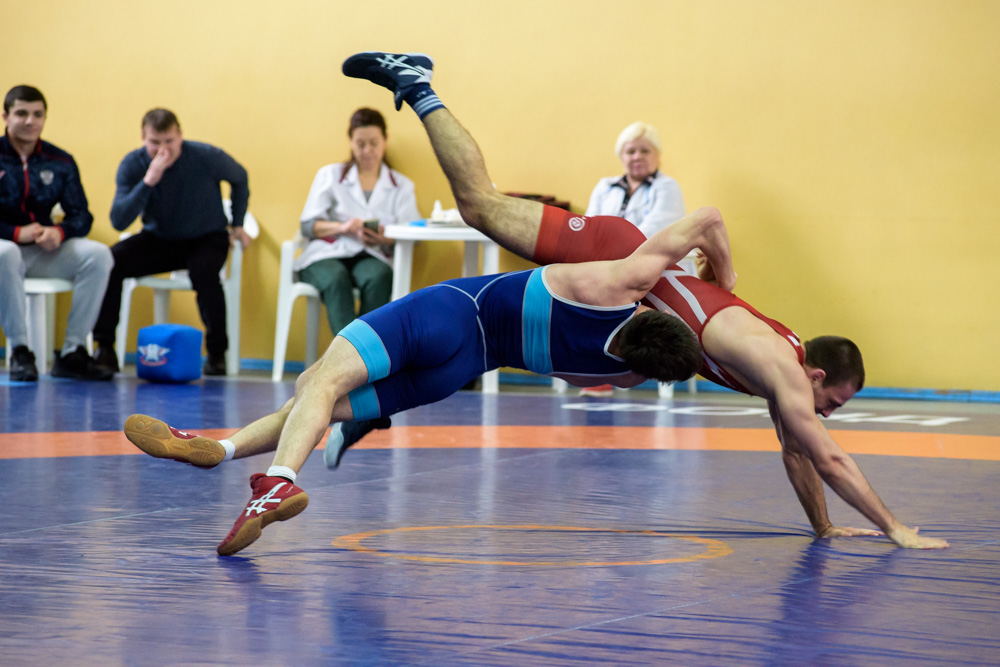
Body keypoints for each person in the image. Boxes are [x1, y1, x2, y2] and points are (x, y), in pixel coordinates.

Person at [335, 51, 948, 550]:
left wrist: (824, 527)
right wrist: (894, 528)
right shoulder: (779, 366)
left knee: (513, 342)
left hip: (624, 299)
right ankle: (418, 84)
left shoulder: (782, 369)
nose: (828, 415)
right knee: (479, 206)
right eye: (832, 402)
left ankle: (376, 399)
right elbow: (828, 459)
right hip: (616, 255)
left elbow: (797, 453)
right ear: (814, 375)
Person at [124, 204, 735, 555]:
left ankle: (275, 483)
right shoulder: (624, 376)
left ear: (648, 314)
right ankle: (222, 449)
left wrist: (722, 280)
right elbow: (653, 352)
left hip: (449, 315)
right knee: (319, 399)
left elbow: (707, 217)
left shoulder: (621, 283)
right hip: (459, 371)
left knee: (319, 380)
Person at [92, 108, 252, 376]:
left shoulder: (206, 156)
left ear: (180, 136)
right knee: (111, 261)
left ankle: (216, 353)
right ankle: (104, 349)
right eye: (155, 142)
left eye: (169, 141)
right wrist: (148, 181)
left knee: (204, 273)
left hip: (206, 237)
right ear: (143, 138)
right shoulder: (133, 164)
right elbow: (119, 221)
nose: (163, 149)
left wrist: (237, 223)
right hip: (160, 239)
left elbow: (240, 177)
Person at [0, 85, 113, 381]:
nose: (30, 121)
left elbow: (82, 215)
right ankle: (19, 351)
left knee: (99, 255)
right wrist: (15, 232)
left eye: (38, 114)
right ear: (5, 116)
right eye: (22, 113)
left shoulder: (60, 161)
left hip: (41, 251)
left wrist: (60, 232)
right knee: (6, 252)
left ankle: (73, 352)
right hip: (5, 250)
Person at [581, 121, 686, 396]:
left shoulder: (667, 187)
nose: (637, 156)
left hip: (649, 267)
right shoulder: (605, 186)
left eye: (644, 150)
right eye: (630, 151)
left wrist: (610, 256)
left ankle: (611, 371)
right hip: (607, 265)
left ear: (657, 155)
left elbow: (654, 233)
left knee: (604, 292)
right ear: (621, 156)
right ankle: (597, 369)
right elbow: (590, 226)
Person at [296, 107, 420, 337]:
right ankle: (351, 353)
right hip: (326, 254)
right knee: (336, 279)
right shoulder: (330, 175)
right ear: (350, 141)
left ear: (385, 140)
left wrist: (384, 238)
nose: (367, 151)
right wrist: (343, 227)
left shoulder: (401, 186)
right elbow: (307, 226)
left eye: (374, 143)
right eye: (360, 144)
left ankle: (363, 350)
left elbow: (413, 235)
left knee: (379, 277)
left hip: (371, 254)